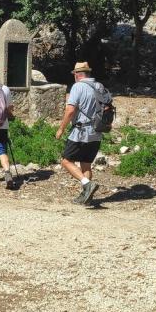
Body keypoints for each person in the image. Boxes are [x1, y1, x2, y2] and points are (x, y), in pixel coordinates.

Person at [55, 62, 110, 205]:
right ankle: (87, 196)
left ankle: (87, 184)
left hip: (81, 132)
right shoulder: (99, 86)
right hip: (97, 132)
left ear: (77, 74)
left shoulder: (77, 87)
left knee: (66, 161)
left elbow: (70, 110)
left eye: (74, 74)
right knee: (86, 165)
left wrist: (61, 128)